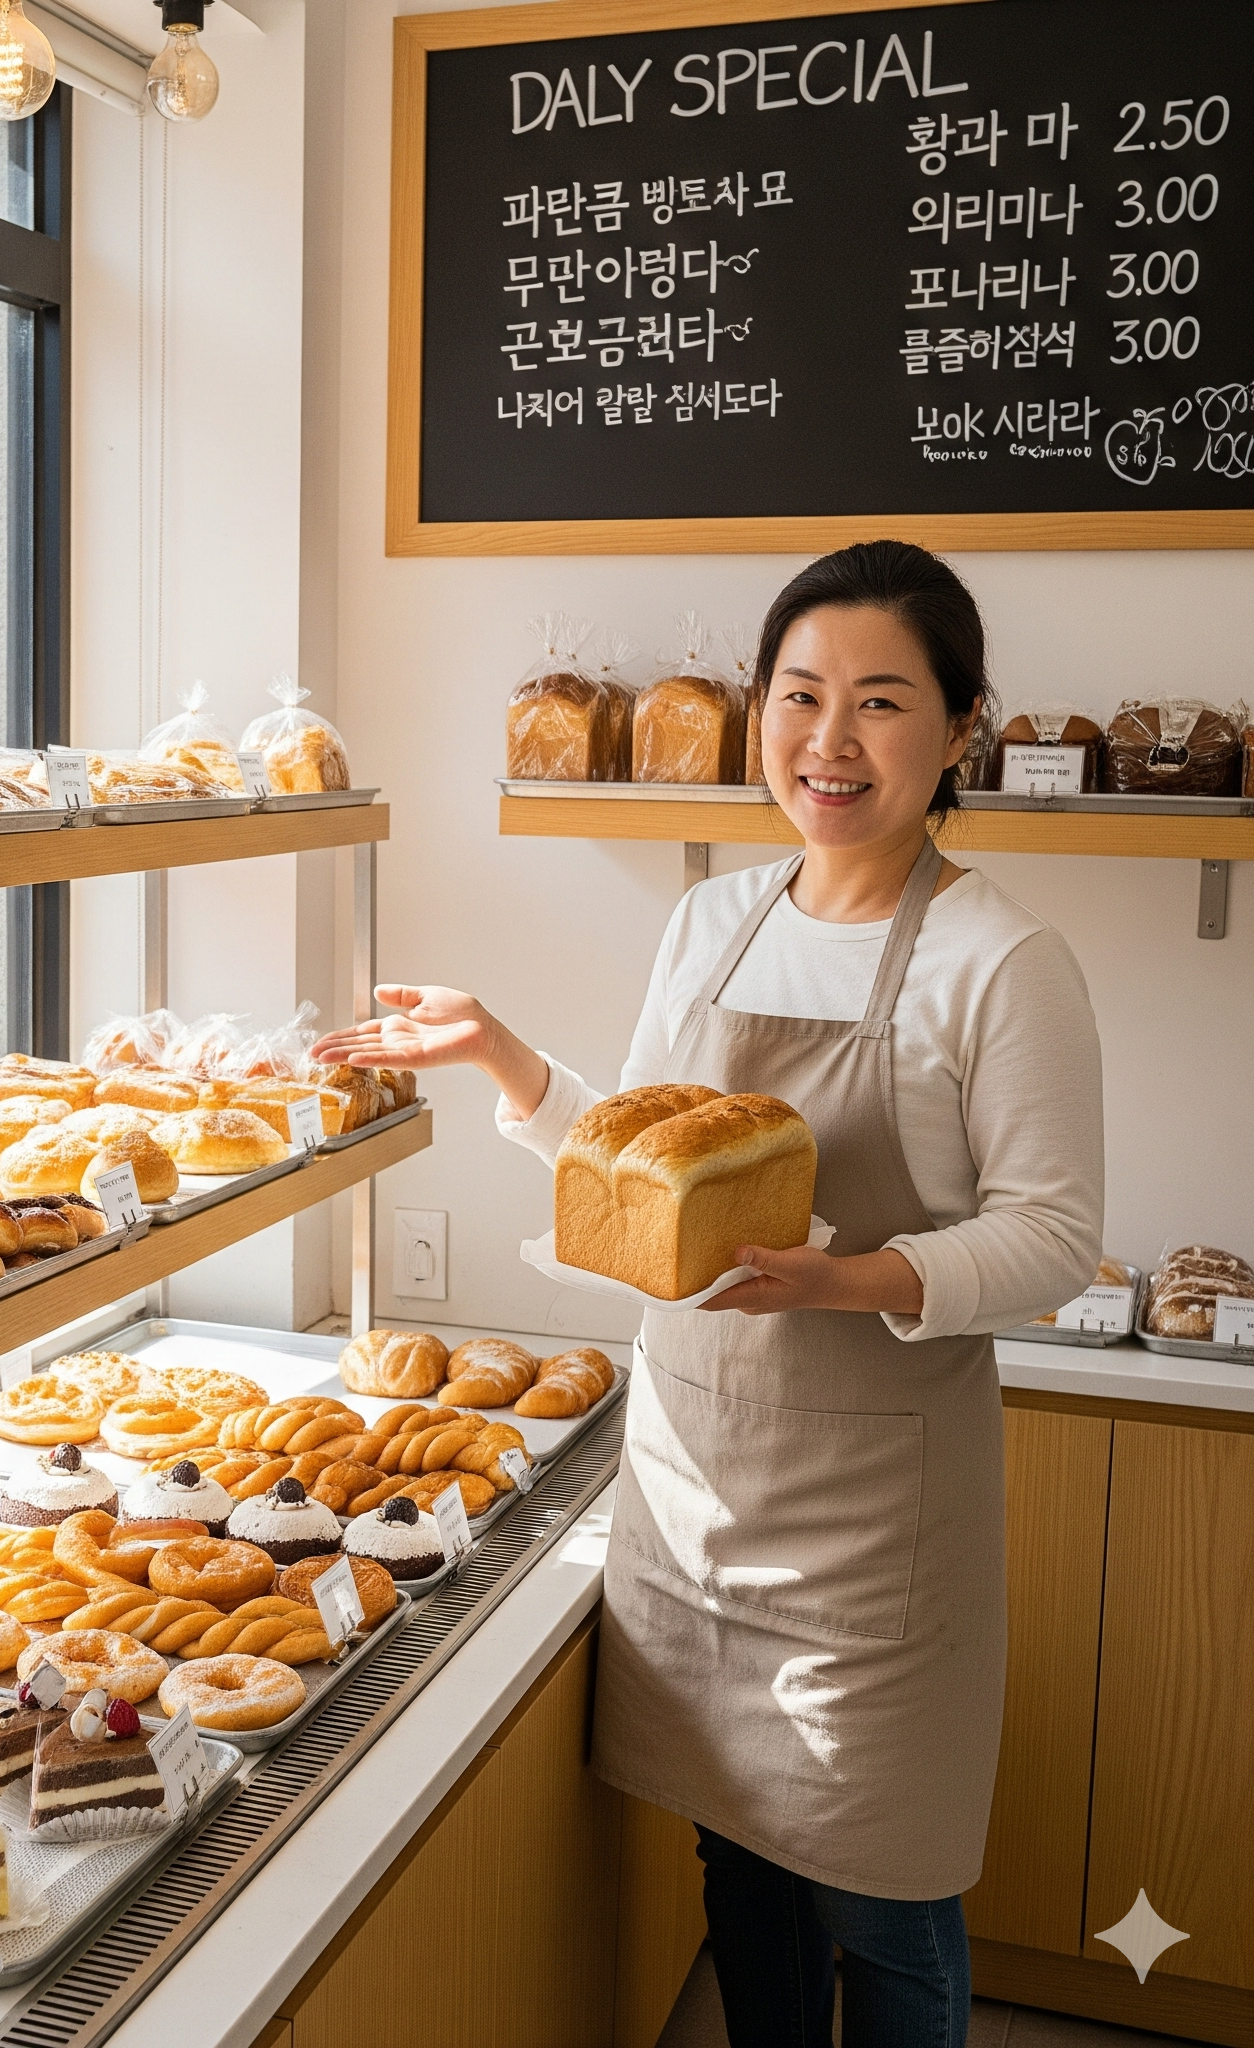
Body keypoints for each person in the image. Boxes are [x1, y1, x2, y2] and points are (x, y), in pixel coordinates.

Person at [312, 541, 1104, 2048]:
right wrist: (502, 1056)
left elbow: (1055, 1238)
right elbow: (648, 1165)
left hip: (877, 1534)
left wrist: (842, 1275)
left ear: (962, 729)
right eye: (799, 695)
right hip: (691, 1487)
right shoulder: (712, 923)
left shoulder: (1003, 961)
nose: (831, 739)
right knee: (735, 1868)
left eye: (881, 701)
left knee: (884, 1898)